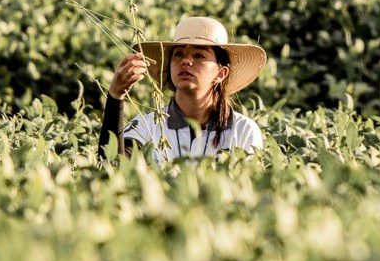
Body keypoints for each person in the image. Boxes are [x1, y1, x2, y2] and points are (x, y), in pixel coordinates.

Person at [98, 15, 267, 162]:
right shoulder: (148, 126)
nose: (186, 61)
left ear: (221, 73)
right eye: (178, 54)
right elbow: (112, 165)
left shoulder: (242, 130)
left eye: (199, 55)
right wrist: (115, 95)